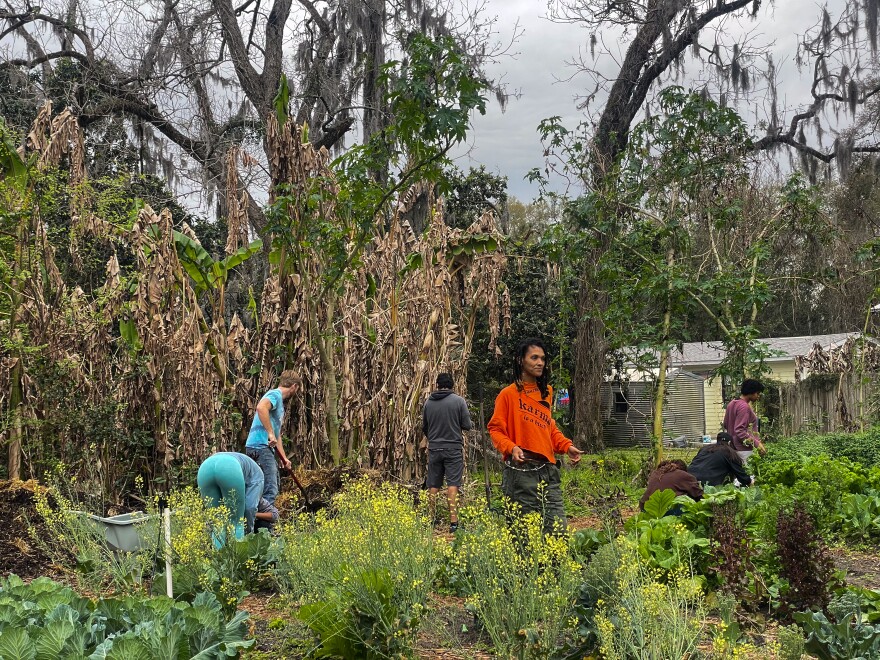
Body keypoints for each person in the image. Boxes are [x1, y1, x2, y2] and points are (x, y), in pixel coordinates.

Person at [488, 337, 583, 533]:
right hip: (521, 473)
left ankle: (554, 565)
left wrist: (566, 446)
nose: (540, 362)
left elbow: (548, 427)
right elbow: (495, 429)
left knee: (558, 531)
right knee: (523, 535)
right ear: (520, 360)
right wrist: (511, 447)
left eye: (543, 358)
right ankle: (526, 566)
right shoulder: (508, 394)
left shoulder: (546, 392)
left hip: (548, 472)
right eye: (534, 358)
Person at [423, 372, 473, 533]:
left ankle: (431, 518)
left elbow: (425, 427)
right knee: (453, 484)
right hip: (453, 449)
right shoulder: (459, 401)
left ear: (437, 385)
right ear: (452, 385)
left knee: (433, 485)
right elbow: (467, 425)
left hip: (435, 448)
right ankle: (453, 522)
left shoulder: (428, 403)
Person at [245, 370, 301, 504]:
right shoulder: (275, 394)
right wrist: (270, 433)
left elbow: (277, 435)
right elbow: (261, 407)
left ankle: (255, 520)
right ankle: (266, 524)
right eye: (297, 388)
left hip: (258, 447)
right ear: (294, 386)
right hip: (260, 447)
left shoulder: (279, 403)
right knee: (270, 489)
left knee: (259, 488)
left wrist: (284, 458)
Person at [197, 452, 264, 546]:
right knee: (236, 522)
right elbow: (250, 508)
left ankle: (219, 558)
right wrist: (249, 534)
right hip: (229, 467)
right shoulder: (259, 475)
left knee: (218, 522)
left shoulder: (246, 463)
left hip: (205, 467)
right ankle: (238, 557)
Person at [723, 379, 767, 463]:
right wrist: (757, 444)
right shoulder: (744, 407)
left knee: (737, 475)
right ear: (751, 392)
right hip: (744, 450)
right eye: (757, 393)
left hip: (732, 448)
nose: (758, 396)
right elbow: (739, 430)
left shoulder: (732, 403)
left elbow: (726, 424)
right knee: (749, 475)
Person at [688, 432, 754, 487]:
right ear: (729, 443)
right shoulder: (729, 452)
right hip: (707, 483)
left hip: (688, 478)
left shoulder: (705, 448)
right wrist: (749, 481)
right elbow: (740, 473)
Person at [639, 459, 703, 515]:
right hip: (666, 511)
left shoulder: (656, 472)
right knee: (688, 499)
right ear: (684, 469)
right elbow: (699, 494)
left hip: (646, 508)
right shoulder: (683, 474)